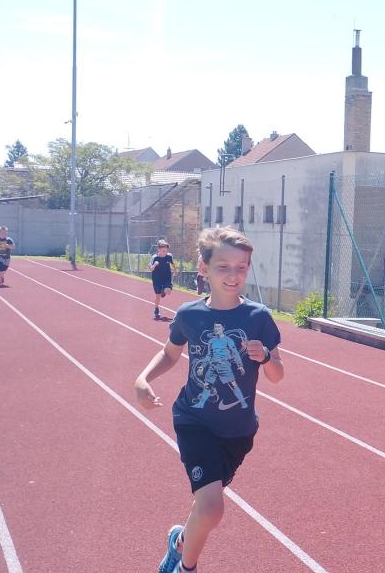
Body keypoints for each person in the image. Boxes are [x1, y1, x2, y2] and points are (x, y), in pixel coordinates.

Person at [134, 226, 284, 573]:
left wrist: (265, 358)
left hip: (239, 431)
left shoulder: (259, 317)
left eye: (241, 267)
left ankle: (179, 542)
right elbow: (170, 353)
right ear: (204, 268)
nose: (233, 275)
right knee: (213, 508)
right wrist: (143, 379)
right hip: (195, 422)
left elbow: (277, 374)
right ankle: (185, 568)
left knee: (205, 507)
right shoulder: (189, 314)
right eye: (223, 267)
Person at [149, 240, 175, 320]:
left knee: (168, 291)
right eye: (163, 251)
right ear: (158, 250)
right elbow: (151, 269)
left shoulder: (169, 256)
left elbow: (172, 263)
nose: (165, 253)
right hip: (157, 279)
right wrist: (154, 265)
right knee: (157, 295)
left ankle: (164, 291)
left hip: (167, 277)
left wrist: (175, 270)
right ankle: (156, 309)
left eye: (166, 251)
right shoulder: (155, 257)